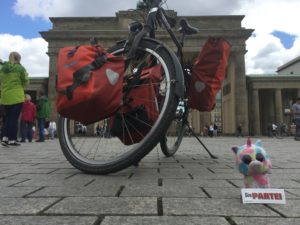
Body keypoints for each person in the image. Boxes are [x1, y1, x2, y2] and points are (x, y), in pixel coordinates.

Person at [0, 52, 29, 146]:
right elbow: (25, 81)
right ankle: (12, 139)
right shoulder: (20, 68)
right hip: (16, 96)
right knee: (13, 119)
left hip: (5, 97)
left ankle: (5, 138)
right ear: (18, 58)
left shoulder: (3, 69)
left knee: (7, 119)